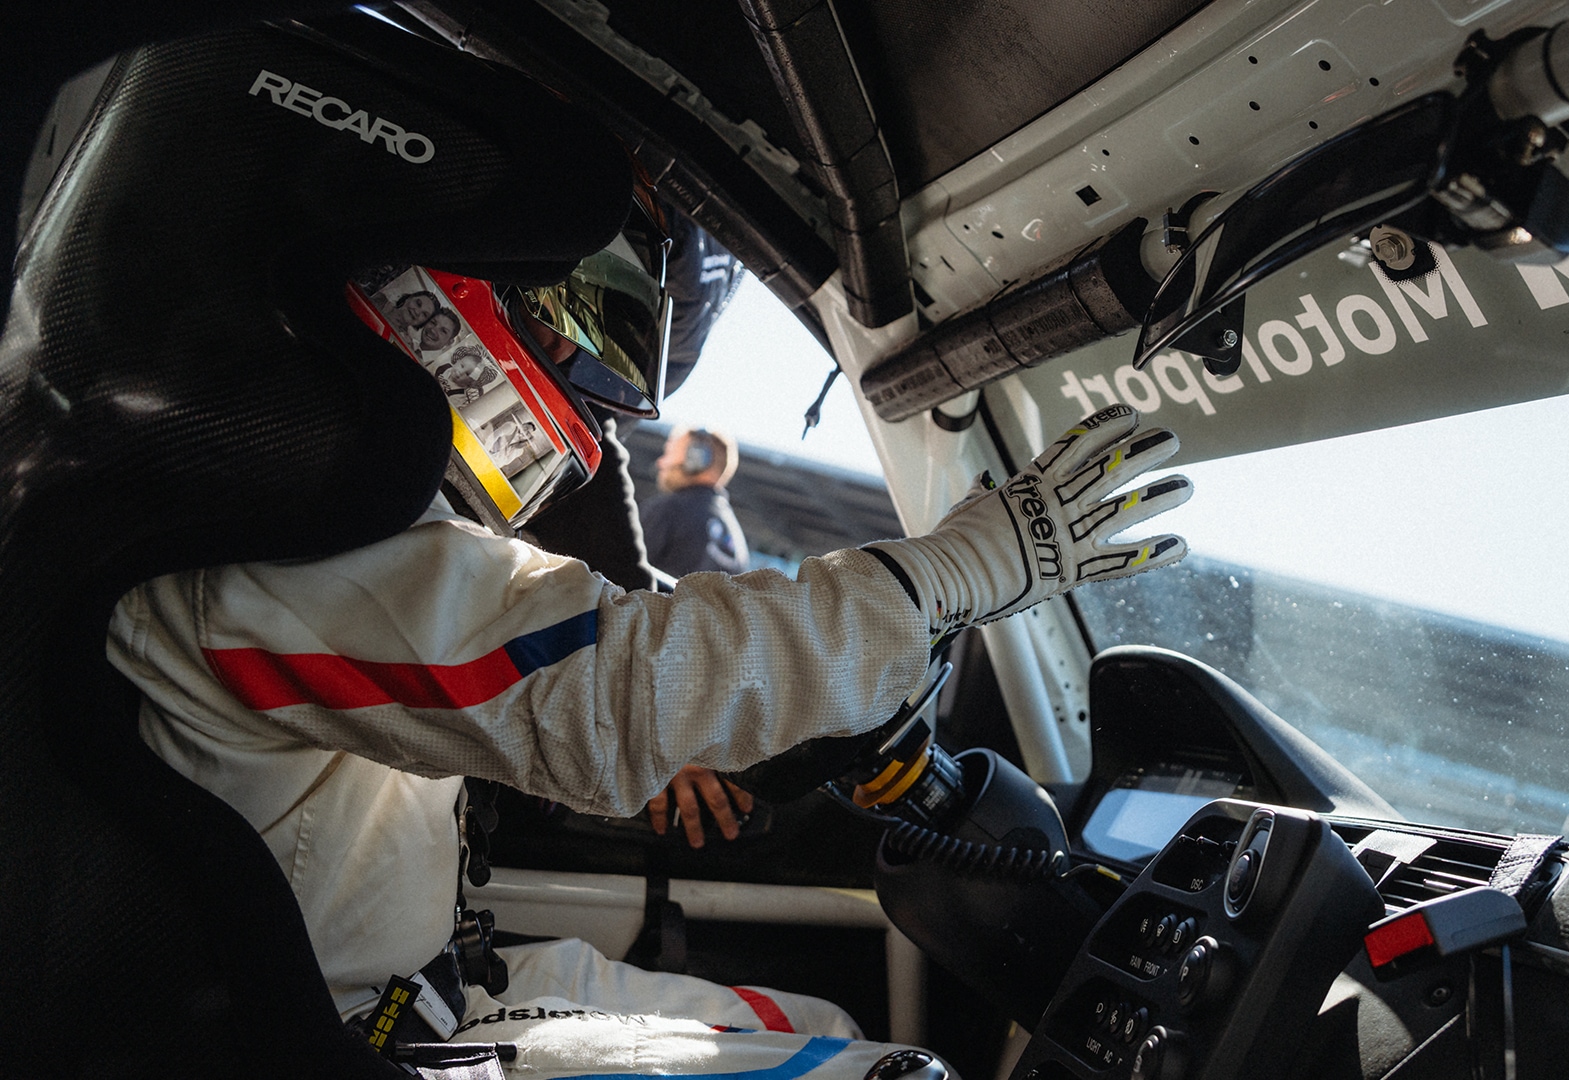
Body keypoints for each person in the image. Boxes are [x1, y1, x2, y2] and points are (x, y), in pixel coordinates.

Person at [104, 77, 1193, 1080]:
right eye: (576, 316)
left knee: (831, 1030)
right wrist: (951, 573)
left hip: (431, 994)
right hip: (348, 1038)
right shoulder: (261, 566)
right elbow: (603, 687)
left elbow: (574, 650)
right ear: (435, 297)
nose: (609, 393)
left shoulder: (312, 530)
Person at [640, 426, 750, 579]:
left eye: (668, 453)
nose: (660, 462)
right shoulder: (737, 541)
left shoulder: (670, 509)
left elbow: (620, 569)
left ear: (696, 459)